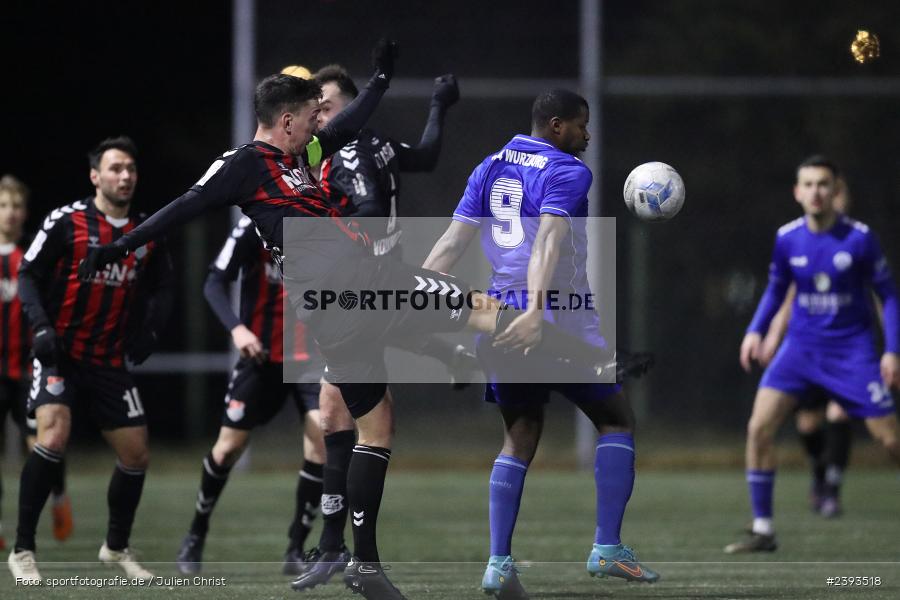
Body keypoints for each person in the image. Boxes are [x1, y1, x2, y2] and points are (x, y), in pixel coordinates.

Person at [81, 48, 622, 599]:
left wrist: (381, 82)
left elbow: (349, 125)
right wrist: (121, 244)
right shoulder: (245, 163)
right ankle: (593, 359)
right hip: (359, 284)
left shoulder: (300, 155)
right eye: (313, 116)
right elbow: (184, 206)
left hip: (335, 307)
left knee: (377, 427)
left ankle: (361, 563)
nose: (322, 124)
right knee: (486, 309)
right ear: (286, 119)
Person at [422, 89, 660, 598]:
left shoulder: (488, 166)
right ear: (556, 126)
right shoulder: (569, 172)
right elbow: (549, 239)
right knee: (617, 419)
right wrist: (536, 312)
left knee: (520, 436)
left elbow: (450, 242)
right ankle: (607, 548)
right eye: (581, 125)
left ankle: (499, 564)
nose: (587, 135)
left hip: (496, 317)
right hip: (555, 318)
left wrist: (412, 295)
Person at [290, 63, 462, 591]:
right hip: (346, 298)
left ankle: (339, 550)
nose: (320, 117)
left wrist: (436, 108)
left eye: (328, 107)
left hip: (360, 296)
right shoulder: (316, 152)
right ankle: (338, 549)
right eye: (314, 109)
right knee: (342, 417)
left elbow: (425, 158)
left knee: (351, 418)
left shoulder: (361, 148)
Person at [7, 137, 174, 582]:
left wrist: (152, 328)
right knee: (54, 437)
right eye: (116, 168)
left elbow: (163, 285)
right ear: (95, 176)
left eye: (131, 169)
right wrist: (41, 328)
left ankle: (116, 548)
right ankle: (23, 549)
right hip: (60, 353)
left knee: (137, 455)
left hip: (108, 360)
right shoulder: (67, 221)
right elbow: (28, 274)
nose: (125, 176)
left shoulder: (144, 231)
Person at [727, 156, 900, 554]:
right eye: (808, 184)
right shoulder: (788, 238)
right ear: (797, 192)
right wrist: (755, 330)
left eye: (824, 184)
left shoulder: (859, 238)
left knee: (889, 440)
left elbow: (888, 296)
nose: (816, 192)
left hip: (851, 353)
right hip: (800, 351)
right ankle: (763, 529)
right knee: (759, 428)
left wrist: (891, 352)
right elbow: (776, 289)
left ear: (835, 190)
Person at [175, 217, 326, 576]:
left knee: (321, 438)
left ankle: (296, 546)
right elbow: (214, 282)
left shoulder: (328, 220)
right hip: (259, 357)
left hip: (309, 359)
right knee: (227, 449)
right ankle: (196, 532)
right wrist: (238, 329)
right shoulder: (253, 225)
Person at [756, 176, 856, 518]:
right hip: (809, 347)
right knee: (809, 424)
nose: (828, 198)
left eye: (835, 191)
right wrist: (771, 335)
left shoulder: (857, 242)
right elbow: (788, 296)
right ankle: (819, 476)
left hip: (847, 347)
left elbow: (878, 295)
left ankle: (832, 486)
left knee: (839, 412)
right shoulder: (802, 243)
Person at [0, 176, 73, 551]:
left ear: (24, 212)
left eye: (15, 206)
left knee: (44, 442)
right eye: (3, 206)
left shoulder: (31, 256)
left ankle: (58, 498)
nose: (10, 213)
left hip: (30, 369)